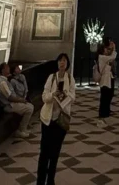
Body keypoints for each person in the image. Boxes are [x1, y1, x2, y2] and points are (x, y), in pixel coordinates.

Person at [38, 53, 75, 185]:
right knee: (44, 152)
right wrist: (53, 95)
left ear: (67, 63)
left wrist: (64, 96)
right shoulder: (51, 77)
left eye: (64, 60)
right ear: (57, 63)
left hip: (61, 120)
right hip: (48, 119)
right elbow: (44, 96)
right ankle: (40, 181)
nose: (62, 63)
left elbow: (73, 97)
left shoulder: (70, 78)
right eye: (60, 60)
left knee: (55, 152)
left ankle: (50, 181)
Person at [0, 62, 34, 139]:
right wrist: (21, 100)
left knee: (30, 106)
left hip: (12, 103)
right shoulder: (2, 82)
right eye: (7, 68)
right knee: (29, 108)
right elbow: (10, 97)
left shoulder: (5, 80)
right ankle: (21, 130)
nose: (9, 69)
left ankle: (23, 128)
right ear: (3, 70)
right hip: (8, 105)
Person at [96, 37, 118, 127]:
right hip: (104, 80)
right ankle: (102, 115)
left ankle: (106, 112)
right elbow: (113, 57)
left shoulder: (104, 57)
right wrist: (114, 48)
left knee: (109, 95)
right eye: (106, 49)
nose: (107, 50)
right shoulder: (102, 57)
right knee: (104, 97)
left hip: (109, 78)